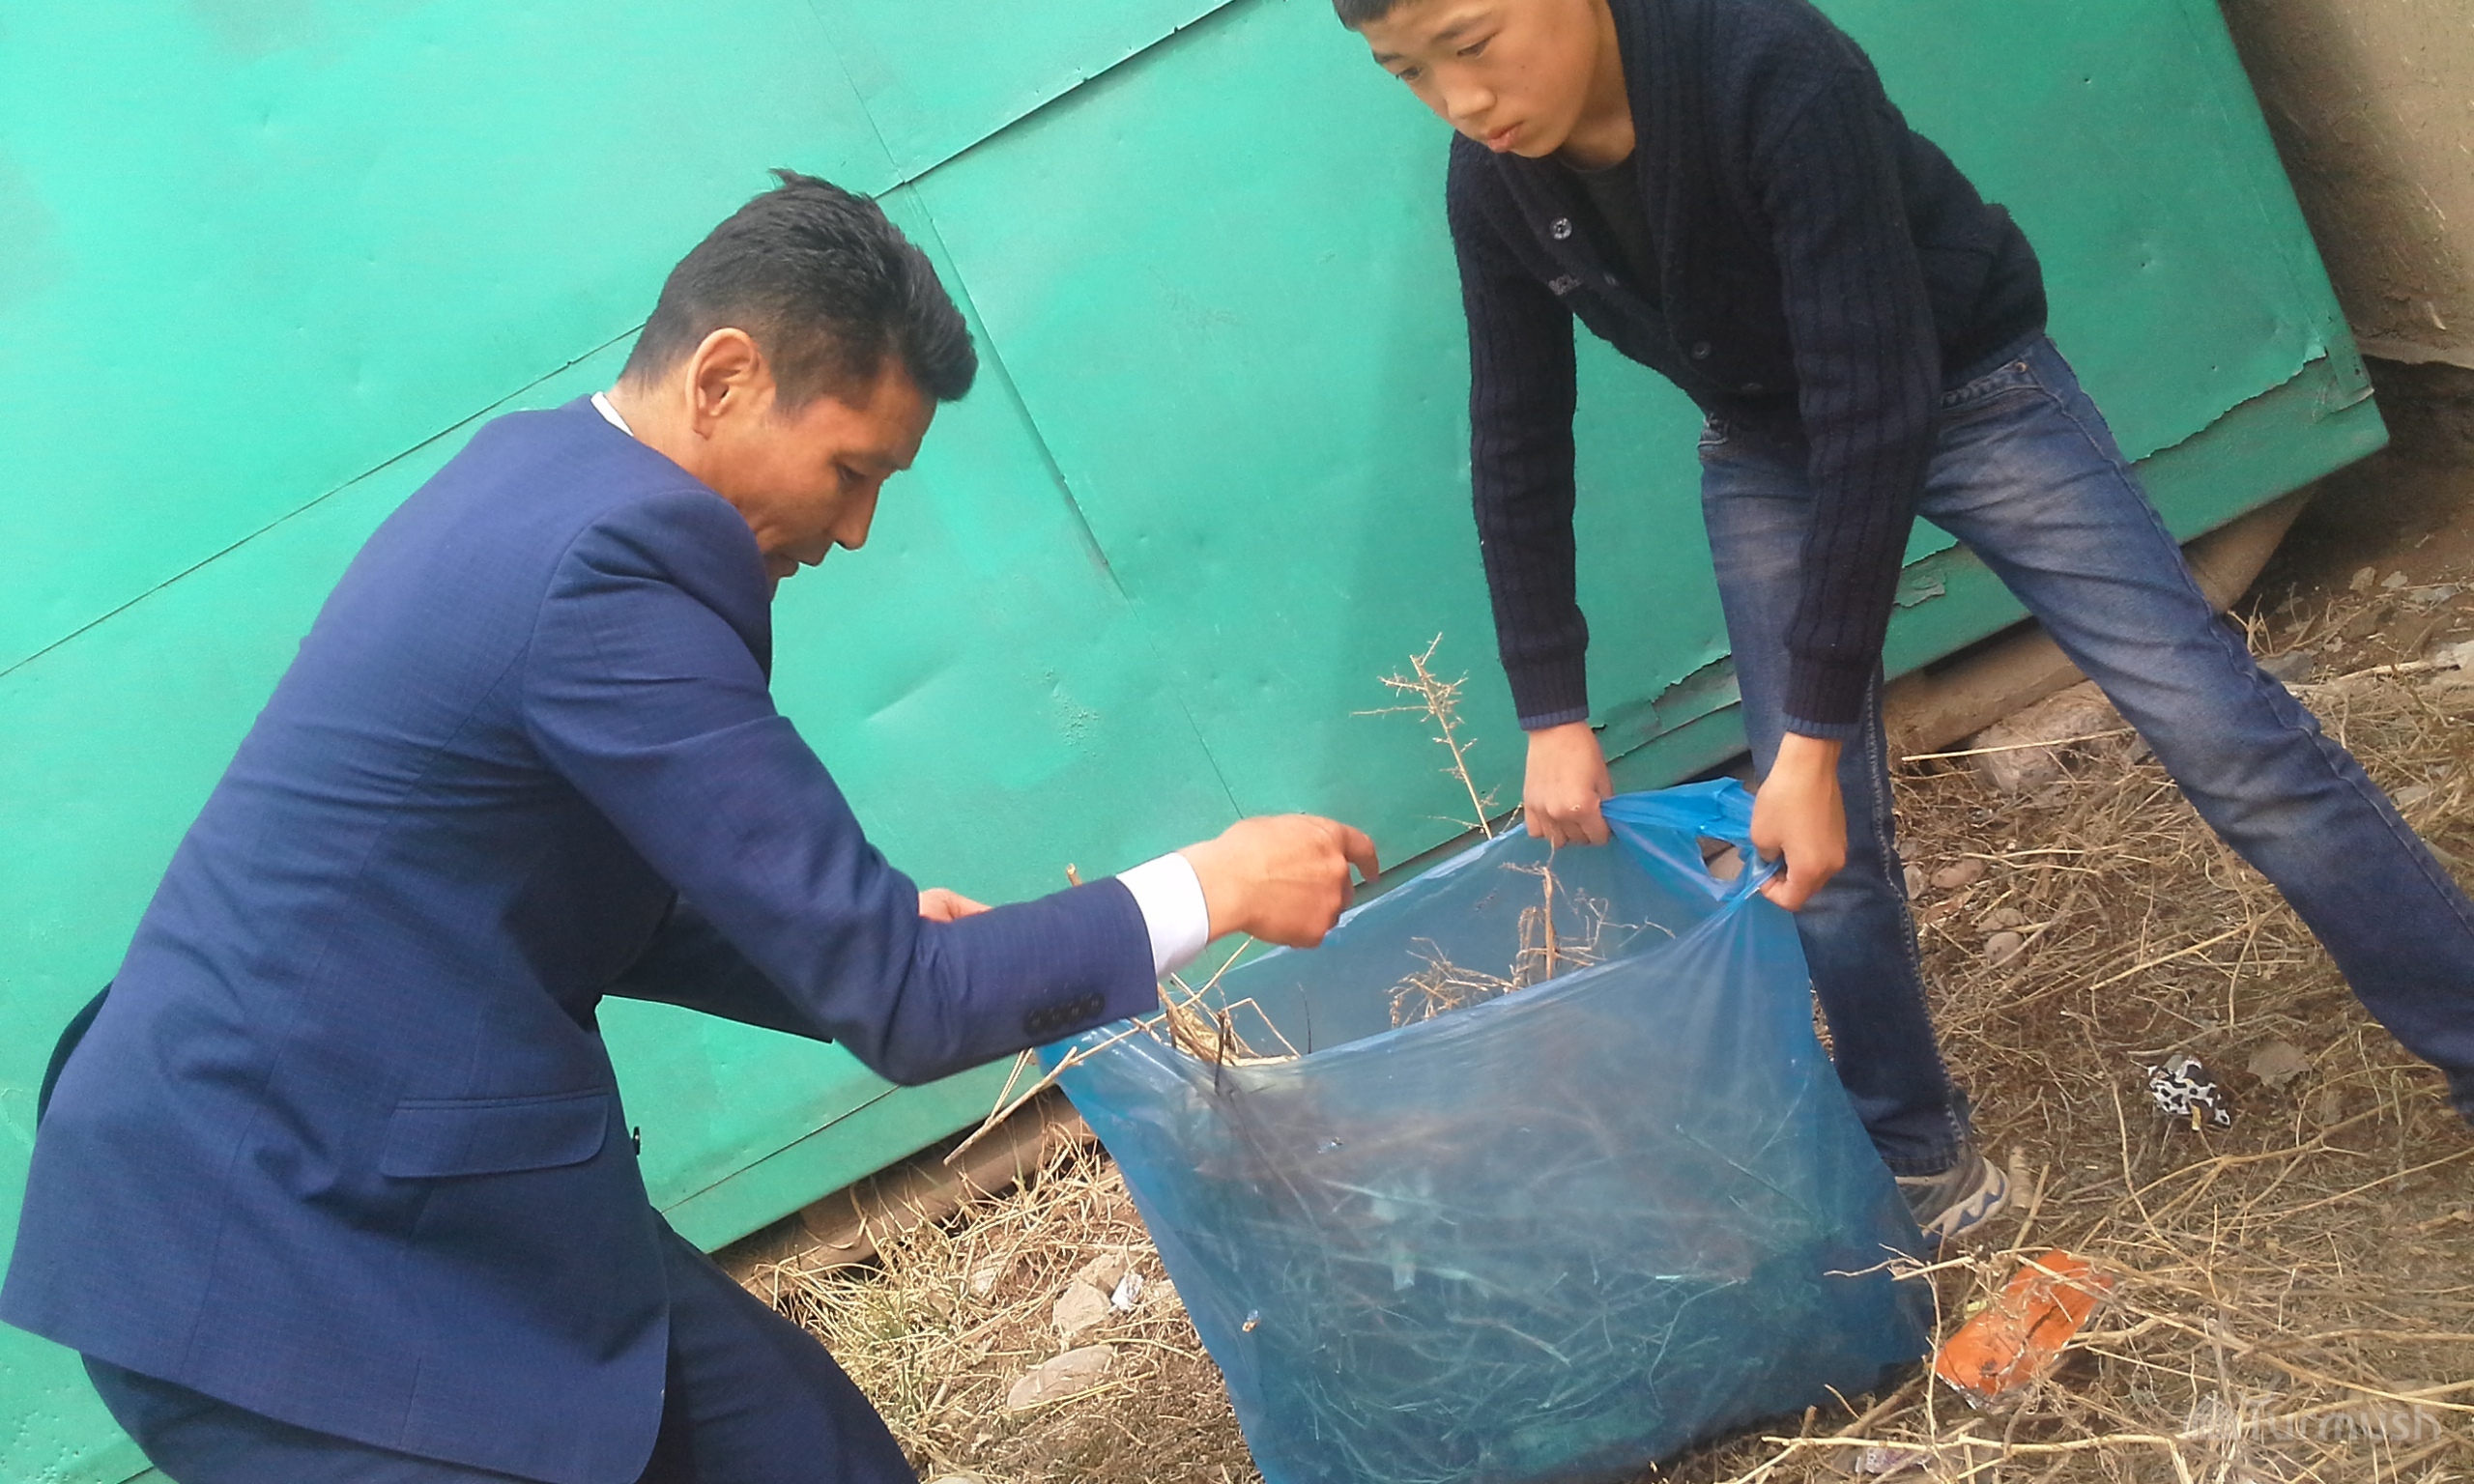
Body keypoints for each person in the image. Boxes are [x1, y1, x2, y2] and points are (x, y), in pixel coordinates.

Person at [1, 171, 1378, 1484]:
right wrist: (1211, 885)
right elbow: (909, 1009)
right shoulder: (618, 564)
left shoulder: (544, 477)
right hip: (257, 1249)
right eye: (850, 470)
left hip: (406, 1174)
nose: (856, 530)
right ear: (723, 379)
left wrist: (850, 947)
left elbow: (588, 877)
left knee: (803, 1455)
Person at [1334, 0, 2474, 1241]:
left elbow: (1871, 398)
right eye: (1406, 72)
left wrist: (1813, 736)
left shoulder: (1768, 65)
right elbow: (1514, 432)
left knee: (2219, 730)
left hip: (1972, 389)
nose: (1461, 100)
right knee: (1807, 845)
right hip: (1768, 441)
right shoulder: (1493, 182)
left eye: (1472, 41)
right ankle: (1918, 1160)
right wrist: (1550, 709)